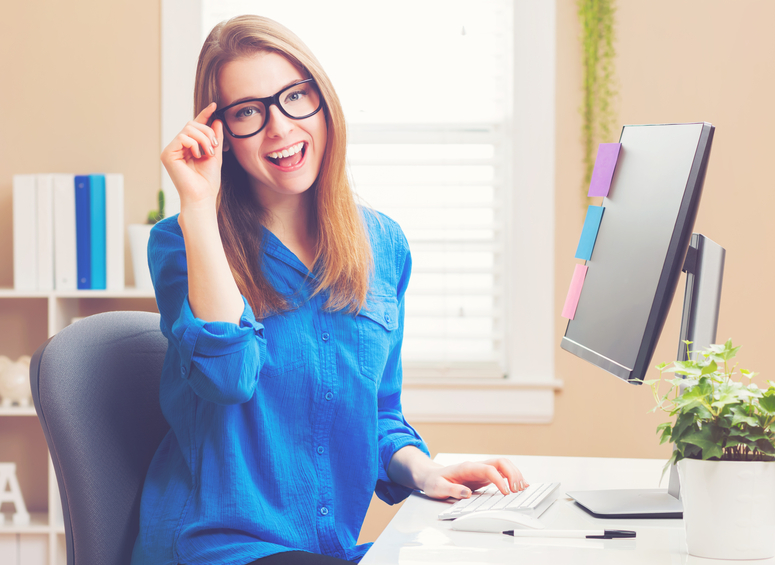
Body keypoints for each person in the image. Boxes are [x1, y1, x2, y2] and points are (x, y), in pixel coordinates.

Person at [131, 15, 527, 565]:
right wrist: (200, 208)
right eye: (248, 112)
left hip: (326, 550)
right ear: (220, 133)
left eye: (295, 97)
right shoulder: (183, 244)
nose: (280, 128)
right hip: (219, 547)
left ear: (323, 102)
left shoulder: (382, 245)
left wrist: (425, 470)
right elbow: (226, 378)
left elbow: (380, 413)